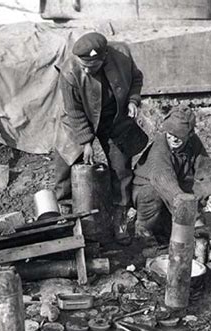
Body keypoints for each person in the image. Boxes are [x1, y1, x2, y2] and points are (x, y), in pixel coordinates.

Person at [53, 32, 148, 243]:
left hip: (113, 118)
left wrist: (133, 100)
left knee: (121, 169)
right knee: (67, 165)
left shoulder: (122, 54)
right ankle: (65, 216)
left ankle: (120, 218)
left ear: (104, 57)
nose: (86, 70)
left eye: (91, 66)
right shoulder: (70, 71)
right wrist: (86, 142)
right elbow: (73, 110)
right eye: (83, 65)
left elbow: (136, 78)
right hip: (77, 118)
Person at [132, 108, 211, 241]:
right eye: (170, 134)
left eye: (179, 136)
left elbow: (205, 168)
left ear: (189, 134)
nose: (173, 138)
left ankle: (172, 223)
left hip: (177, 182)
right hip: (149, 185)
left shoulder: (193, 141)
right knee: (151, 195)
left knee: (199, 188)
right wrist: (194, 218)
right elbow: (168, 186)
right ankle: (144, 228)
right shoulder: (159, 151)